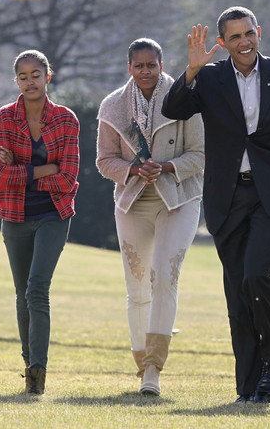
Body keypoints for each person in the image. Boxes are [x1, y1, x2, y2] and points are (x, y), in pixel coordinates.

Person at [161, 6, 270, 404]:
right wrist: (192, 70)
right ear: (222, 43)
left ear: (258, 32)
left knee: (255, 275)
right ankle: (247, 385)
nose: (244, 42)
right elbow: (173, 109)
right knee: (236, 292)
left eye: (249, 33)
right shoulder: (210, 78)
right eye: (235, 37)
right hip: (226, 196)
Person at [96, 38, 204, 396]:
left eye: (151, 65)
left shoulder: (184, 99)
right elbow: (104, 160)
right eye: (138, 66)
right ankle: (142, 366)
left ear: (161, 65)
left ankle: (155, 368)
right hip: (132, 200)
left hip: (177, 198)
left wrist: (168, 165)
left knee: (164, 279)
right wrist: (132, 169)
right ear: (129, 67)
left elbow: (201, 155)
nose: (145, 72)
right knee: (137, 287)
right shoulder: (113, 106)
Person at [0, 50, 80, 395]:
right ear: (17, 81)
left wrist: (22, 171)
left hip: (53, 214)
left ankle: (38, 373)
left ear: (48, 76)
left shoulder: (66, 119)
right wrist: (45, 168)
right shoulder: (3, 118)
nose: (30, 81)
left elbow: (69, 178)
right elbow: (0, 175)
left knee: (37, 289)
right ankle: (28, 362)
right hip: (14, 216)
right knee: (21, 294)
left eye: (36, 74)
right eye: (23, 76)